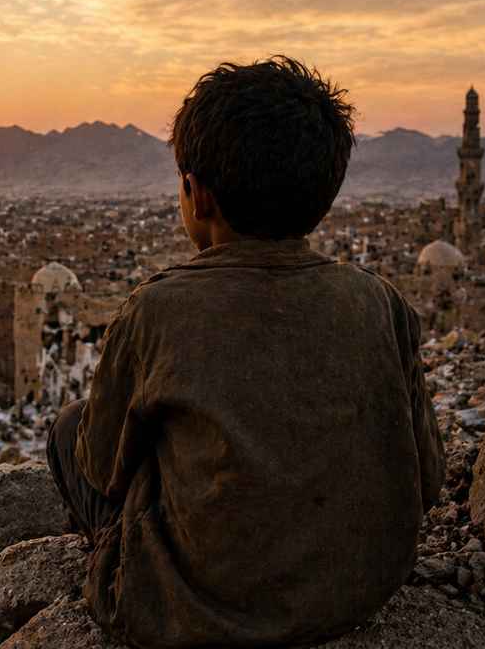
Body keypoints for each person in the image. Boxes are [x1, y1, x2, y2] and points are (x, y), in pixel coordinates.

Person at [46, 56, 445, 648]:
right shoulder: (378, 302)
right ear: (323, 195)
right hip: (359, 591)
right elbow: (428, 478)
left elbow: (103, 470)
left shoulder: (157, 310)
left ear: (196, 193)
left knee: (69, 427)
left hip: (194, 616)